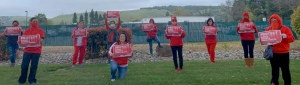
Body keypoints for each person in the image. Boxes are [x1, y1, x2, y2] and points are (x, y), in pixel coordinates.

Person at [267, 14, 295, 85]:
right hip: (274, 53)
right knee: (274, 70)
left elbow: (292, 39)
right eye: (272, 20)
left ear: (279, 21)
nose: (273, 22)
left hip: (284, 53)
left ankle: (287, 83)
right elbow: (266, 41)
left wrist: (285, 36)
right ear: (270, 21)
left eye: (275, 20)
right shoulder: (268, 29)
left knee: (285, 70)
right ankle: (274, 82)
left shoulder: (285, 29)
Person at [18, 17, 45, 85]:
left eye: (37, 21)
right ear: (31, 22)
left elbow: (42, 38)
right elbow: (23, 39)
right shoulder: (27, 31)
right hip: (27, 51)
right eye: (34, 21)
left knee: (34, 66)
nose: (35, 22)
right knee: (24, 66)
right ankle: (22, 81)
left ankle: (32, 80)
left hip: (37, 51)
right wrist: (19, 41)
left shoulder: (40, 30)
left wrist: (40, 40)